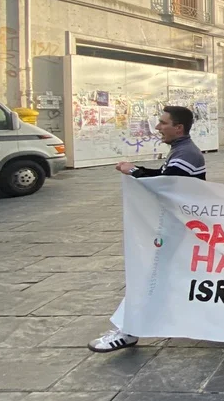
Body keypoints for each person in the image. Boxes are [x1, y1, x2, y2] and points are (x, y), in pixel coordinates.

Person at [88, 106, 205, 353]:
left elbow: (163, 185)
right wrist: (134, 171)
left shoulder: (186, 154)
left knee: (149, 279)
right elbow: (165, 177)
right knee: (156, 279)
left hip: (178, 231)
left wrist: (134, 171)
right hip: (179, 230)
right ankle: (130, 328)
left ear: (179, 128)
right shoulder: (182, 151)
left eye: (163, 123)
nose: (158, 127)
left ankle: (128, 329)